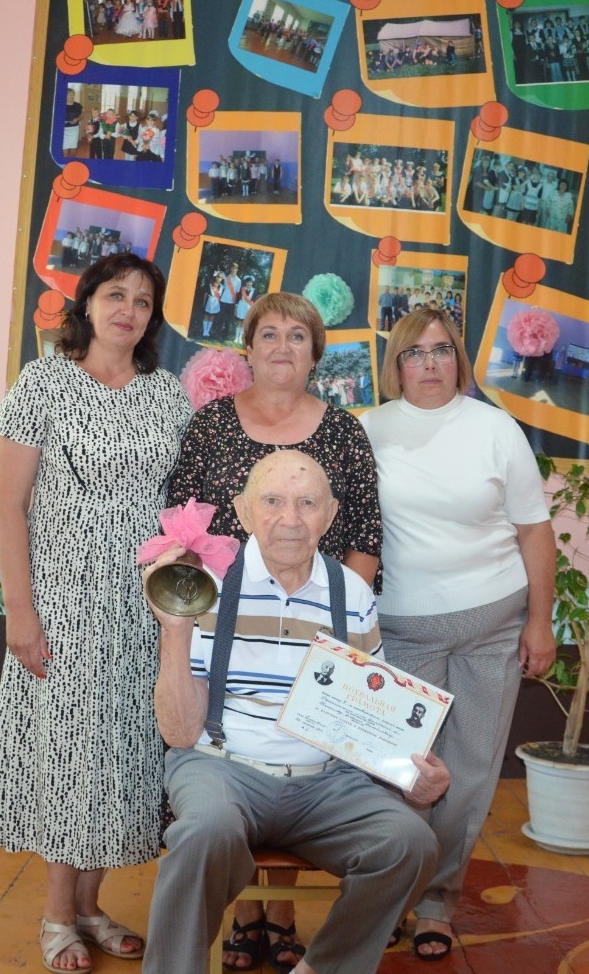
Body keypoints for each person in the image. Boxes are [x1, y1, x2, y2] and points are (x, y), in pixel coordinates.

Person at [143, 451, 450, 974]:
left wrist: (414, 777)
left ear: (330, 515)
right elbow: (179, 733)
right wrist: (174, 631)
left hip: (328, 781)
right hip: (222, 768)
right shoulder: (202, 585)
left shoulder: (352, 592)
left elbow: (374, 716)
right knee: (203, 832)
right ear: (243, 511)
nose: (290, 519)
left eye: (307, 503)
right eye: (272, 501)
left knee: (410, 843)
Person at [165, 293, 383, 971]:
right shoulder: (210, 424)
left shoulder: (344, 430)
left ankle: (280, 914)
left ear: (315, 353)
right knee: (233, 755)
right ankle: (242, 913)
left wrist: (336, 626)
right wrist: (193, 615)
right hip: (224, 623)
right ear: (248, 348)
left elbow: (365, 535)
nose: (282, 346)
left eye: (297, 335)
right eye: (268, 333)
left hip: (319, 620)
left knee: (303, 742)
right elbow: (182, 523)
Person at [0, 252, 192, 973]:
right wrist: (21, 610)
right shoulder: (43, 382)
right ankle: (56, 915)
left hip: (143, 607)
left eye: (142, 300)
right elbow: (7, 503)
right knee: (71, 753)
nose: (127, 310)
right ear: (87, 303)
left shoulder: (168, 395)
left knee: (123, 756)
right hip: (63, 603)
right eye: (115, 294)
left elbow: (182, 506)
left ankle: (90, 907)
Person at [360, 308, 556, 961]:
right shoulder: (368, 429)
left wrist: (539, 622)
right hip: (401, 632)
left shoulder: (496, 428)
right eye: (414, 352)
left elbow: (534, 531)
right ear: (395, 363)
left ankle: (437, 904)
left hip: (491, 627)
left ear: (459, 359)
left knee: (468, 774)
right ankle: (388, 898)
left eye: (442, 350)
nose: (430, 364)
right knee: (399, 773)